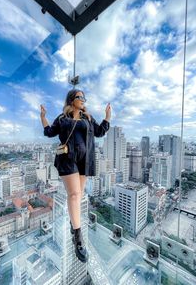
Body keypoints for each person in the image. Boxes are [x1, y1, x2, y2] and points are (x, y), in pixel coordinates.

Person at [40, 89, 111, 263]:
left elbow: (100, 131)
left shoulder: (88, 118)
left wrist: (107, 116)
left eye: (84, 97)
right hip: (68, 158)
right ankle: (78, 238)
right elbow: (49, 132)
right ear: (72, 100)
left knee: (78, 195)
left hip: (84, 160)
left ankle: (74, 225)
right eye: (80, 97)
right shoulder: (62, 118)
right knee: (73, 194)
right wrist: (43, 117)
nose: (83, 100)